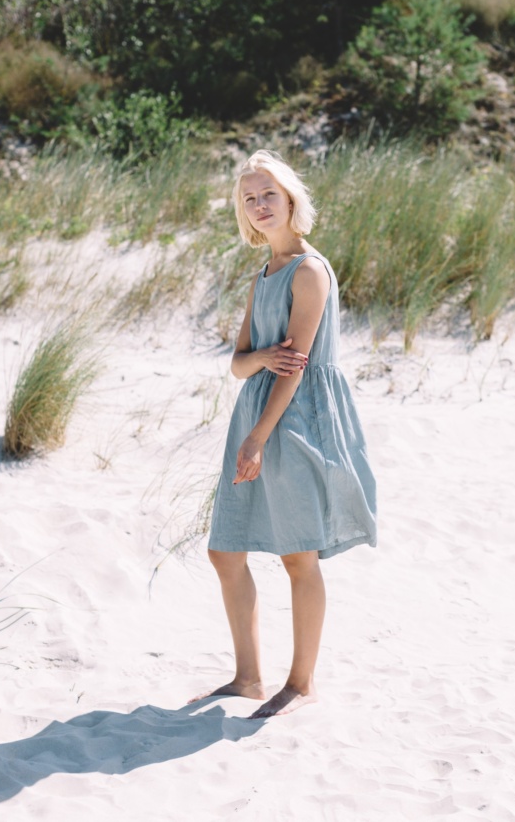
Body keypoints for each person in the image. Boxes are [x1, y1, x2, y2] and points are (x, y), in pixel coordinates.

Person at [193, 149, 377, 719]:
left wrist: (259, 437)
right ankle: (248, 677)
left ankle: (301, 683)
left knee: (299, 557)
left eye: (268, 194)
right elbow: (240, 363)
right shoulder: (265, 273)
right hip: (255, 414)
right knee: (225, 551)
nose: (259, 204)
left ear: (291, 199)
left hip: (296, 420)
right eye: (249, 198)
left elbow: (294, 369)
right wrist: (259, 362)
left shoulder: (309, 270)